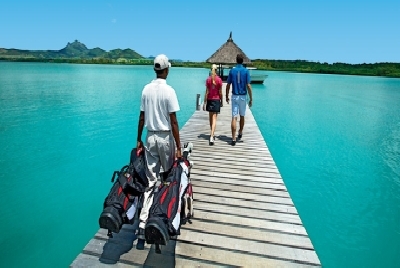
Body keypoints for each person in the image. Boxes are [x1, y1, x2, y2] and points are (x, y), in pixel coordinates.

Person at [135, 54, 182, 250]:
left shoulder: (146, 90)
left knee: (150, 181)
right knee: (168, 178)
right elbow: (173, 122)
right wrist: (179, 147)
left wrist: (138, 139)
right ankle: (162, 217)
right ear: (167, 70)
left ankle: (142, 223)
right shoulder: (169, 91)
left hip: (150, 137)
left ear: (155, 69)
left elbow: (141, 117)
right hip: (164, 138)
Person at [225, 53, 253, 146]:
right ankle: (240, 132)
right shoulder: (246, 71)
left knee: (234, 117)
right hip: (243, 96)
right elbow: (248, 85)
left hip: (234, 95)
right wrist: (251, 98)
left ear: (236, 60)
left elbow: (228, 84)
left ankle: (233, 138)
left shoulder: (232, 71)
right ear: (243, 61)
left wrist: (226, 96)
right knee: (242, 116)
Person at [203, 64, 223, 145]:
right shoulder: (219, 80)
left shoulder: (208, 80)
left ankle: (212, 134)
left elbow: (207, 92)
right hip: (216, 100)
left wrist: (204, 102)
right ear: (217, 70)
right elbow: (220, 92)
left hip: (209, 100)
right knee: (214, 118)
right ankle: (212, 135)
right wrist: (222, 101)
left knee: (211, 118)